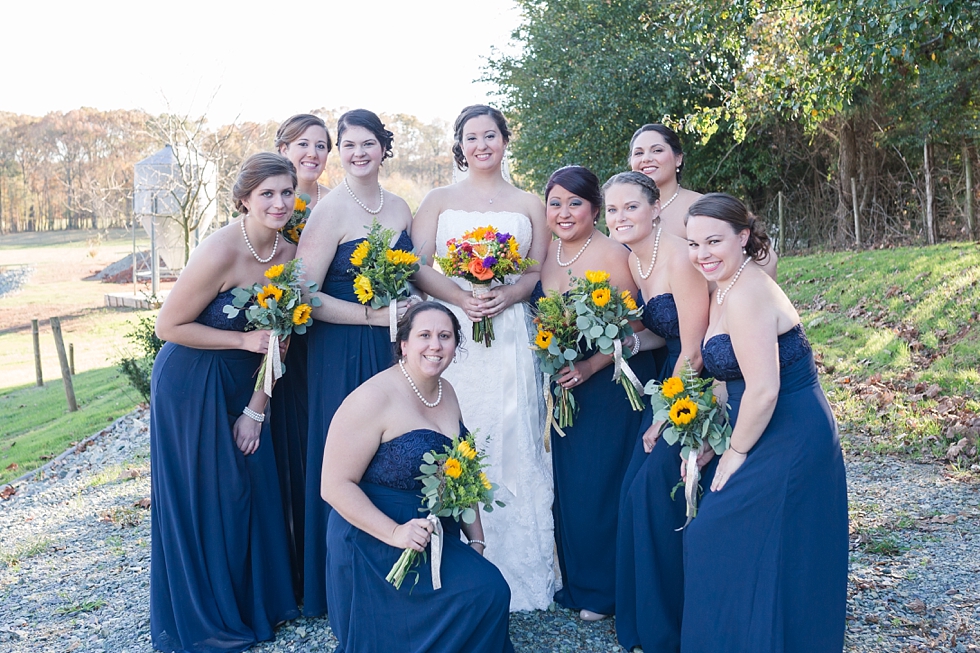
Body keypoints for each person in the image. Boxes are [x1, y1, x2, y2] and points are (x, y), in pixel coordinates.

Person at [682, 193, 847, 652]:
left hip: (791, 430)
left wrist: (735, 452)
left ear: (743, 236)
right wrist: (710, 441)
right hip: (759, 422)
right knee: (730, 541)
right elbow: (723, 379)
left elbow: (763, 389)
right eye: (693, 244)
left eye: (713, 241)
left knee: (718, 534)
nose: (702, 254)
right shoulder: (724, 287)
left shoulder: (750, 290)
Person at [150, 153, 300, 651]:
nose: (279, 203)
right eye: (267, 194)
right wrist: (241, 342)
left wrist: (257, 408)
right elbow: (168, 326)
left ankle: (258, 606)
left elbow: (283, 337)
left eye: (286, 192)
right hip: (191, 383)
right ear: (244, 199)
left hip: (247, 382)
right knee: (213, 496)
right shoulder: (220, 249)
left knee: (251, 488)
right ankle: (207, 614)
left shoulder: (290, 254)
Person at [412, 105, 555, 611]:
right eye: (471, 137)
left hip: (510, 330)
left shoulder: (528, 202)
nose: (481, 145)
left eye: (490, 135)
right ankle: (460, 563)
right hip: (455, 331)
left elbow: (536, 271)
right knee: (462, 427)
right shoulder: (438, 199)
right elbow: (418, 265)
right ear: (460, 144)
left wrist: (508, 295)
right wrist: (460, 294)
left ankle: (522, 568)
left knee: (511, 436)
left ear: (504, 140)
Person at [322, 302, 514, 653]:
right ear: (404, 344)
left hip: (431, 534)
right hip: (372, 539)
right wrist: (395, 532)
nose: (435, 346)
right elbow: (333, 486)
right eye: (424, 335)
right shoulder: (371, 398)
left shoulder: (447, 393)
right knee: (484, 593)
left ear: (456, 345)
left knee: (489, 590)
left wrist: (477, 543)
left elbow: (463, 473)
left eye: (445, 336)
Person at [294, 109, 415, 617]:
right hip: (341, 351)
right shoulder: (329, 212)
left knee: (390, 454)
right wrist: (373, 316)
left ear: (384, 149)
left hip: (392, 351)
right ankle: (340, 587)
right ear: (339, 153)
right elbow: (304, 294)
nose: (359, 153)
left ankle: (392, 567)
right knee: (346, 457)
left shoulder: (401, 207)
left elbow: (413, 276)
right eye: (348, 145)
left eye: (369, 144)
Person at [532, 165, 658, 621]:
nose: (564, 213)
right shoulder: (544, 254)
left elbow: (638, 328)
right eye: (555, 203)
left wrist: (588, 365)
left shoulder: (613, 254)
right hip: (564, 378)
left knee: (600, 483)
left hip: (611, 380)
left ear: (595, 210)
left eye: (575, 203)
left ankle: (607, 591)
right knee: (571, 485)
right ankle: (580, 582)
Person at [603, 171, 712, 652]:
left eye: (630, 207)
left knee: (653, 492)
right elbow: (659, 334)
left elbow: (694, 349)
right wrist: (625, 340)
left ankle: (673, 624)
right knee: (634, 492)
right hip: (671, 375)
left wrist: (665, 416)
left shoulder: (679, 259)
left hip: (700, 385)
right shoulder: (634, 259)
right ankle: (647, 616)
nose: (620, 217)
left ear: (654, 210)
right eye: (612, 209)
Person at [268, 113, 333, 602]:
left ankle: (326, 560)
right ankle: (293, 571)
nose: (312, 153)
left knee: (323, 447)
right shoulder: (272, 205)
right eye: (302, 144)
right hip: (285, 339)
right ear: (284, 148)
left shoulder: (336, 204)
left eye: (320, 145)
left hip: (329, 341)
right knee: (289, 452)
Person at [628, 123, 778, 279]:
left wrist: (726, 297)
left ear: (678, 158)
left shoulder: (701, 206)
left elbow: (767, 259)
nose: (646, 159)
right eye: (638, 153)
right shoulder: (622, 214)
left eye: (657, 150)